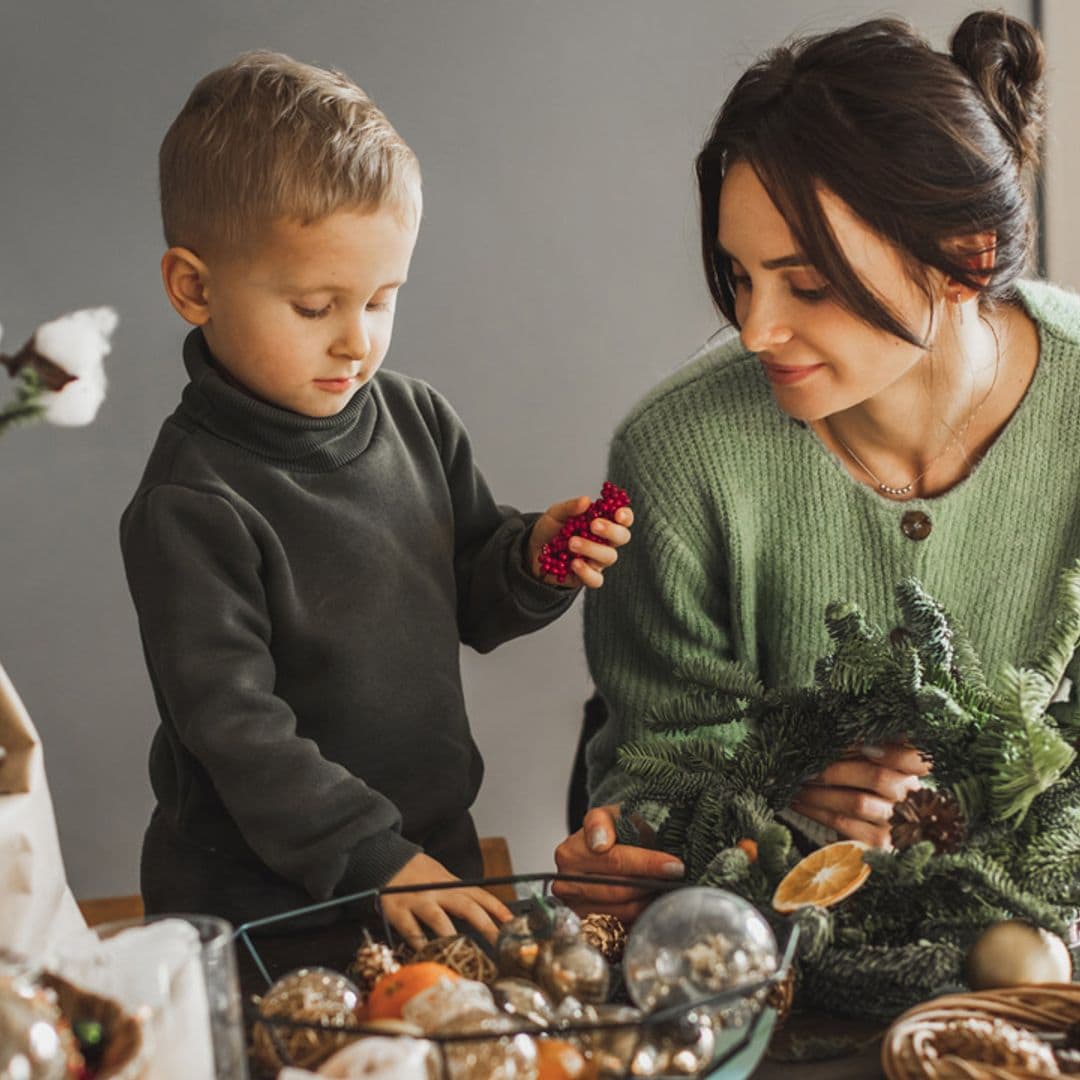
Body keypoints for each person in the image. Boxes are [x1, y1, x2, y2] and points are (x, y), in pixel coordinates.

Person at [554, 10, 1075, 921]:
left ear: (963, 258)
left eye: (809, 285)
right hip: (777, 959)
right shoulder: (678, 456)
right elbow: (648, 774)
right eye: (739, 275)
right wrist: (783, 803)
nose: (756, 329)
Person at [120, 51, 633, 944]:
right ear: (194, 288)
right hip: (271, 899)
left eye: (383, 299)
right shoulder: (190, 503)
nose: (357, 342)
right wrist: (372, 858)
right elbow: (237, 732)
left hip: (432, 852)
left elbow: (474, 593)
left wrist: (533, 557)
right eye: (315, 307)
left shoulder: (414, 419)